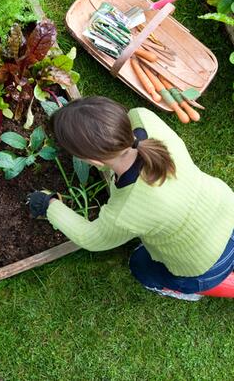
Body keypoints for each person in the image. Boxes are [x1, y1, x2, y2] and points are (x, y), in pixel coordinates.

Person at [28, 96, 234, 300]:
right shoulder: (144, 118)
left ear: (92, 161)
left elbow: (89, 237)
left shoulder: (126, 211)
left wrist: (49, 204)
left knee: (140, 265)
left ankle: (185, 289)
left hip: (202, 266)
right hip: (228, 212)